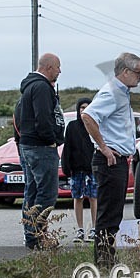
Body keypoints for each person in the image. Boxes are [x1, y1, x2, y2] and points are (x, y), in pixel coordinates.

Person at [82, 52, 140, 267]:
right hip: (109, 160)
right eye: (138, 72)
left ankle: (108, 256)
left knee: (113, 212)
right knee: (108, 214)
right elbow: (88, 116)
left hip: (118, 159)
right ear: (125, 72)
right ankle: (104, 260)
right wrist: (104, 147)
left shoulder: (122, 93)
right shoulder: (111, 93)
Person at [17, 53, 65, 250]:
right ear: (48, 67)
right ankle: (38, 237)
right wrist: (51, 140)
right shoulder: (42, 87)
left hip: (28, 145)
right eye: (58, 67)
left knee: (32, 192)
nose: (60, 71)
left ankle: (32, 237)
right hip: (41, 147)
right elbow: (43, 118)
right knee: (46, 194)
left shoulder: (30, 87)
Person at [61, 98, 97, 242]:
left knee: (94, 198)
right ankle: (80, 229)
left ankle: (95, 228)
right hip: (77, 169)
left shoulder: (95, 125)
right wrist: (66, 166)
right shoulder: (72, 126)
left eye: (87, 107)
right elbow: (67, 148)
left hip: (92, 169)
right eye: (81, 107)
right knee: (78, 198)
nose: (84, 110)